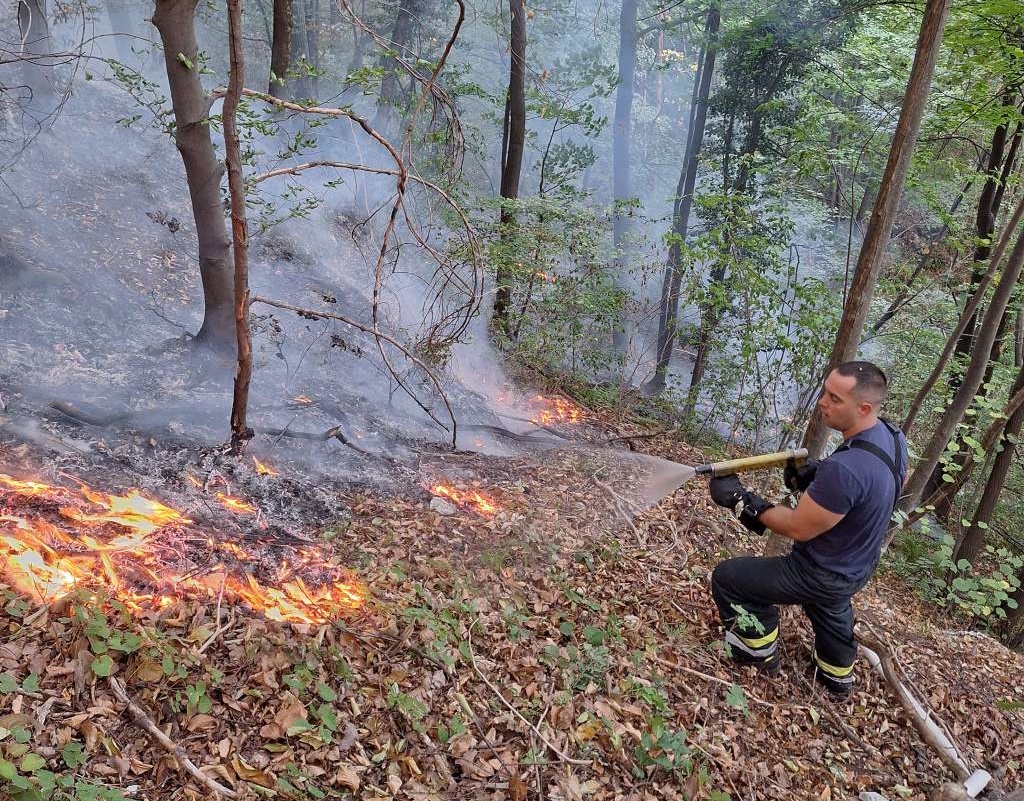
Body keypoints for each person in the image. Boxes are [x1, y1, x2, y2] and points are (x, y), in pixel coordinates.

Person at [706, 361, 908, 696]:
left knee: (729, 579)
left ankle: (755, 652)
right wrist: (818, 475)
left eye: (835, 398)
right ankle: (837, 676)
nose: (822, 402)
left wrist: (741, 500)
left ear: (864, 407)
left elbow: (798, 528)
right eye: (825, 391)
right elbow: (887, 482)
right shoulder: (892, 436)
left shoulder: (846, 471)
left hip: (821, 570)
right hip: (857, 563)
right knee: (830, 601)